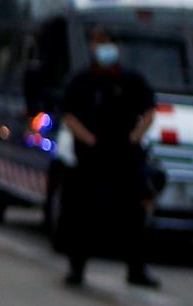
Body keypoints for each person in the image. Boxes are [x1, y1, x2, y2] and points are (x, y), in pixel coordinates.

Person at [59, 27, 159, 290]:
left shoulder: (130, 79)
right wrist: (88, 138)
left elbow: (149, 111)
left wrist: (136, 136)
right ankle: (76, 268)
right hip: (92, 156)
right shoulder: (82, 79)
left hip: (125, 156)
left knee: (133, 215)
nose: (102, 48)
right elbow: (68, 115)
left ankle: (136, 269)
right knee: (84, 214)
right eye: (98, 43)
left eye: (107, 43)